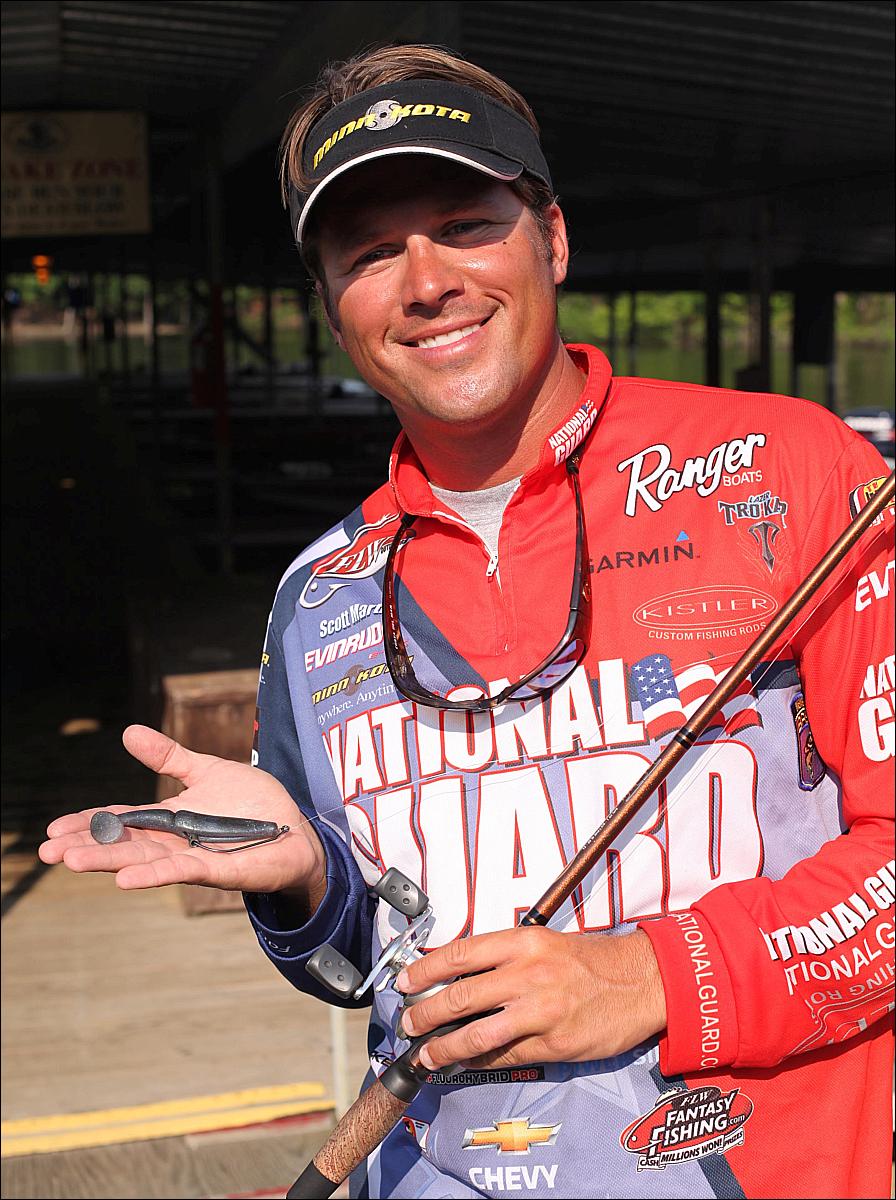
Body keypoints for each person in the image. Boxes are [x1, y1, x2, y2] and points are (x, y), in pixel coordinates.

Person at [40, 44, 894, 1200]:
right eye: (371, 252)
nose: (424, 279)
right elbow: (366, 966)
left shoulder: (787, 468)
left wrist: (654, 974)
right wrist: (302, 883)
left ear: (550, 236)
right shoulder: (319, 594)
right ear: (332, 301)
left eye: (462, 224)